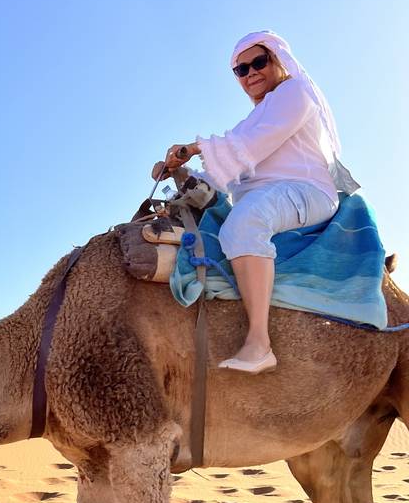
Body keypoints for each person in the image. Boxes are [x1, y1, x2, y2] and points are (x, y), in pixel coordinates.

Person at [152, 30, 357, 375]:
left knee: (246, 220)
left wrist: (196, 147)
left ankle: (259, 343)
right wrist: (179, 173)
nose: (250, 73)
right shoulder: (254, 119)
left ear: (277, 59)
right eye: (241, 70)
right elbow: (227, 171)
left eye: (258, 62)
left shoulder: (294, 92)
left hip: (306, 190)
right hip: (269, 194)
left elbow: (249, 145)